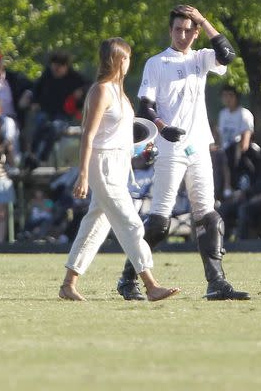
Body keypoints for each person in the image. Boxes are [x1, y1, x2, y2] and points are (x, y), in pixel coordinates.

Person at [116, 4, 250, 301]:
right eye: (178, 29)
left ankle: (217, 282)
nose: (183, 35)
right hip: (170, 147)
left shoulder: (202, 59)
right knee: (160, 223)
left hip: (199, 146)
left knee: (209, 216)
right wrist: (162, 127)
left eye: (190, 30)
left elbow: (227, 54)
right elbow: (145, 107)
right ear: (170, 30)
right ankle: (128, 278)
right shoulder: (157, 62)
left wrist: (203, 18)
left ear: (197, 32)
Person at [59, 37, 180, 302]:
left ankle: (69, 283)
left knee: (95, 225)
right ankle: (150, 284)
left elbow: (119, 135)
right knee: (131, 222)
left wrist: (139, 150)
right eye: (125, 57)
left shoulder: (120, 93)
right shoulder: (101, 90)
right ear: (116, 60)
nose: (128, 62)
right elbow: (88, 136)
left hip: (118, 165)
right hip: (101, 165)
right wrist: (82, 175)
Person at [25, 51, 88, 168]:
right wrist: (34, 102)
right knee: (40, 124)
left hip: (63, 115)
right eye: (54, 68)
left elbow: (88, 85)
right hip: (46, 111)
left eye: (59, 69)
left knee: (54, 128)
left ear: (65, 67)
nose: (56, 71)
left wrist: (81, 91)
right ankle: (32, 154)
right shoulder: (47, 74)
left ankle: (43, 158)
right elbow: (36, 89)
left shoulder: (73, 77)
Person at [218, 85, 256, 193]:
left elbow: (245, 141)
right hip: (224, 150)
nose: (228, 99)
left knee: (229, 155)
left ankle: (228, 186)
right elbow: (221, 137)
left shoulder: (244, 114)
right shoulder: (222, 114)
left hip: (238, 152)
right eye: (225, 96)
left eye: (230, 95)